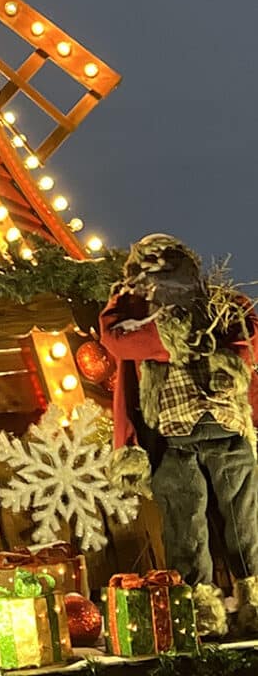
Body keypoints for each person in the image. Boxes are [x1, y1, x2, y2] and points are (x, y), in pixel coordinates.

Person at [100, 234, 258, 635]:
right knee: (185, 523)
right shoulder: (137, 312)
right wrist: (173, 340)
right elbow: (119, 339)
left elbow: (246, 334)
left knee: (243, 521)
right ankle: (199, 609)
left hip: (225, 427)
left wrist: (227, 358)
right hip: (172, 436)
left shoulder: (218, 304)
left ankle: (254, 600)